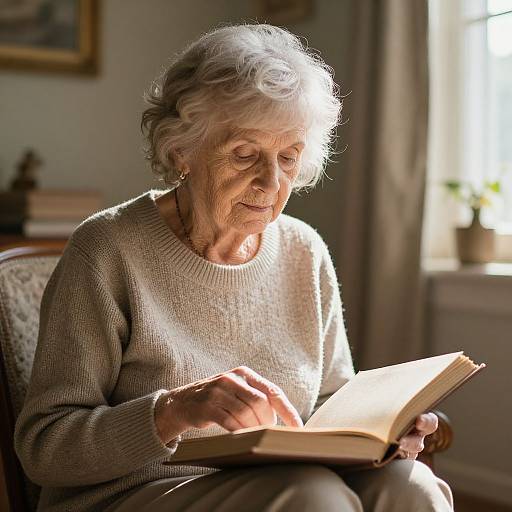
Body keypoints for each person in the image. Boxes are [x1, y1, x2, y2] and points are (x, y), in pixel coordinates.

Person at [14, 24, 454, 512]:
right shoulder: (107, 249)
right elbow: (45, 446)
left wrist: (383, 430)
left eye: (289, 158)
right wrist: (173, 411)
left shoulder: (304, 251)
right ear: (181, 149)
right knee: (311, 496)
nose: (271, 181)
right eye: (245, 154)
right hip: (129, 495)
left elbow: (329, 407)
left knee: (410, 485)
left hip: (276, 481)